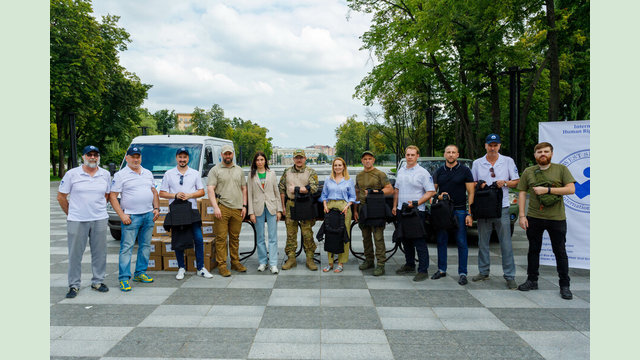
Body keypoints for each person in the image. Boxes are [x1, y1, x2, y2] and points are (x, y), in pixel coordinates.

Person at [516, 142, 576, 300]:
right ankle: (532, 280)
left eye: (546, 151)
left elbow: (571, 189)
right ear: (535, 155)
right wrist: (522, 215)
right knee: (533, 250)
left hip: (556, 218)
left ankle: (564, 285)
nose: (543, 154)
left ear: (551, 153)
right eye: (539, 152)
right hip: (534, 217)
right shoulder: (529, 172)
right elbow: (521, 192)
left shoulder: (561, 169)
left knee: (560, 252)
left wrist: (548, 190)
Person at [57, 145, 111, 298]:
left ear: (98, 157)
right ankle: (74, 285)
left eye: (95, 154)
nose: (92, 157)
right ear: (83, 157)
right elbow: (61, 197)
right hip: (77, 220)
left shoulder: (105, 174)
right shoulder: (72, 174)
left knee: (100, 253)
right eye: (89, 155)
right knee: (75, 254)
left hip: (99, 218)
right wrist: (71, 213)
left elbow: (106, 195)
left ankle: (98, 281)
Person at [471, 134, 520, 289]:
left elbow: (516, 182)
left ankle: (510, 276)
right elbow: (472, 183)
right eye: (490, 145)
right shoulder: (478, 163)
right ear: (485, 146)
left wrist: (504, 182)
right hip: (484, 207)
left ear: (499, 146)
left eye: (495, 145)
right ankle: (483, 271)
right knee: (483, 242)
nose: (492, 148)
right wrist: (480, 184)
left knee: (505, 243)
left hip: (503, 207)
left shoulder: (508, 161)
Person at [109, 147, 160, 292]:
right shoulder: (121, 175)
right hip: (131, 217)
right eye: (133, 157)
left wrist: (156, 208)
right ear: (127, 158)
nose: (136, 159)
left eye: (138, 157)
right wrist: (122, 215)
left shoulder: (147, 172)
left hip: (148, 215)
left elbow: (154, 191)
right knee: (127, 248)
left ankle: (140, 273)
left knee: (145, 246)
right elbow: (112, 196)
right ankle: (124, 278)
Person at [159, 147, 213, 280]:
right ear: (176, 158)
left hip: (192, 210)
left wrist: (190, 195)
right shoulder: (169, 174)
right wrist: (175, 195)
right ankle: (181, 267)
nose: (182, 159)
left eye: (185, 157)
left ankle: (200, 268)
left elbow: (201, 191)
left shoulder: (194, 173)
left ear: (188, 158)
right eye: (180, 157)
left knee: (199, 239)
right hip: (177, 211)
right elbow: (162, 193)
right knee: (178, 240)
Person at [432, 145, 475, 285]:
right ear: (444, 154)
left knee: (461, 242)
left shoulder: (465, 171)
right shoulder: (439, 171)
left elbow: (471, 193)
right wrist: (438, 196)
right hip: (444, 210)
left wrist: (470, 213)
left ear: (457, 154)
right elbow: (432, 192)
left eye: (453, 152)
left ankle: (463, 273)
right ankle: (441, 269)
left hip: (460, 210)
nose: (451, 155)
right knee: (441, 240)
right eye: (448, 152)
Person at [393, 145, 436, 281]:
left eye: (412, 155)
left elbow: (431, 191)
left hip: (417, 212)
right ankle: (409, 264)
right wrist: (395, 206)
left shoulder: (423, 172)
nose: (410, 157)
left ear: (417, 156)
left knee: (419, 241)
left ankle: (423, 270)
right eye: (408, 155)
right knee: (406, 240)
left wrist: (417, 202)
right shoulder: (401, 171)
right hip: (402, 210)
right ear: (405, 156)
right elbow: (397, 189)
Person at [207, 145, 248, 277]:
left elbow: (244, 189)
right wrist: (215, 207)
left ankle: (235, 262)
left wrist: (244, 206)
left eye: (230, 154)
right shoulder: (215, 170)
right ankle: (222, 265)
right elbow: (210, 189)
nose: (228, 156)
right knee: (221, 238)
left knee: (235, 238)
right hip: (222, 208)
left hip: (237, 208)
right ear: (221, 155)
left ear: (233, 155)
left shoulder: (239, 170)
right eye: (225, 154)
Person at [278, 149, 320, 271]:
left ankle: (310, 258)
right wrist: (283, 207)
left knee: (307, 233)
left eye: (301, 157)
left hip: (305, 204)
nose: (299, 160)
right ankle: (291, 258)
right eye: (297, 157)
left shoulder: (310, 171)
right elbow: (281, 189)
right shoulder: (287, 172)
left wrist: (298, 189)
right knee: (291, 234)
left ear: (305, 158)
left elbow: (314, 188)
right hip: (291, 205)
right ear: (293, 159)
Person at [354, 150, 393, 276]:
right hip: (363, 210)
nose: (367, 161)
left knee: (378, 237)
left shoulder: (380, 174)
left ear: (373, 160)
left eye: (370, 158)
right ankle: (369, 260)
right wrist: (355, 210)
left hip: (376, 208)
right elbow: (357, 193)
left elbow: (390, 189)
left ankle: (381, 264)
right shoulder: (359, 175)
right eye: (365, 159)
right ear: (362, 161)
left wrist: (376, 192)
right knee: (366, 237)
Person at [247, 151, 283, 274]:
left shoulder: (271, 173)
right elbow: (250, 195)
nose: (260, 162)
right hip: (257, 208)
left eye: (262, 160)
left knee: (273, 237)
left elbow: (276, 191)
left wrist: (279, 210)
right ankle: (263, 262)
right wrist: (251, 212)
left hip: (271, 206)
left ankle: (273, 263)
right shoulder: (251, 175)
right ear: (255, 162)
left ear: (265, 161)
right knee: (260, 237)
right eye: (258, 160)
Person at [319, 157, 356, 273]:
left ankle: (340, 263)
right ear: (333, 167)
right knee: (330, 234)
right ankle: (330, 262)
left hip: (343, 207)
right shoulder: (328, 179)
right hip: (330, 207)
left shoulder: (348, 180)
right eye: (335, 165)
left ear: (344, 166)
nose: (337, 167)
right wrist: (325, 205)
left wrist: (347, 206)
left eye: (340, 165)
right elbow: (324, 195)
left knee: (343, 235)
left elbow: (353, 197)